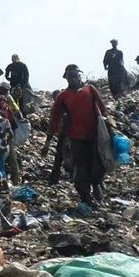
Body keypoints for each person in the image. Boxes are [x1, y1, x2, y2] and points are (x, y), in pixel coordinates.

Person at [48, 65, 107, 206]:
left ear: (80, 75)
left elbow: (103, 110)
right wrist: (48, 140)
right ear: (66, 78)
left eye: (75, 75)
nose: (73, 79)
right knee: (80, 168)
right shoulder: (63, 96)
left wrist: (109, 129)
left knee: (98, 165)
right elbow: (54, 118)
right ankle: (86, 197)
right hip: (76, 138)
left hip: (94, 136)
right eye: (70, 76)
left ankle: (97, 185)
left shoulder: (90, 90)